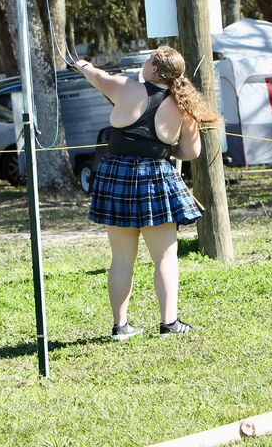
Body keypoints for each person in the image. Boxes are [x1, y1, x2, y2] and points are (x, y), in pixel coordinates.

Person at [74, 45, 220, 340]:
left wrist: (82, 65)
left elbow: (95, 74)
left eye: (148, 59)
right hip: (156, 177)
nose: (144, 63)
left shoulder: (124, 87)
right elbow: (191, 151)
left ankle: (120, 326)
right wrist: (164, 147)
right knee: (165, 257)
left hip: (117, 176)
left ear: (154, 68)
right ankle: (169, 324)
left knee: (121, 258)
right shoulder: (183, 104)